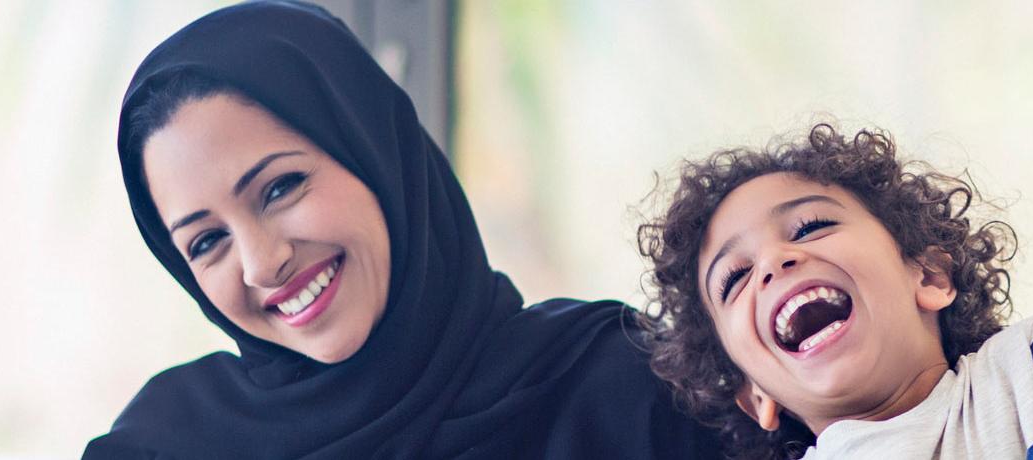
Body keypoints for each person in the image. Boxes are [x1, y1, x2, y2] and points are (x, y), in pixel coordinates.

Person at [82, 2, 719, 458]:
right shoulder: (165, 445)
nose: (260, 261)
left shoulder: (623, 387)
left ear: (377, 154)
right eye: (206, 241)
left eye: (279, 188)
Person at [638, 124, 1033, 459]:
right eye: (734, 278)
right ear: (758, 398)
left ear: (929, 277)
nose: (774, 261)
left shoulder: (1029, 369)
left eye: (810, 226)